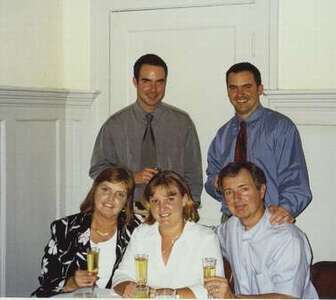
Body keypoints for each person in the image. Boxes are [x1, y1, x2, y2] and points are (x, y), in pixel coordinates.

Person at [90, 53, 203, 208]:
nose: (153, 89)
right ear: (135, 82)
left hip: (171, 210)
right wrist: (130, 178)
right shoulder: (114, 125)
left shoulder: (183, 123)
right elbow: (98, 170)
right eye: (146, 81)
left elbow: (193, 174)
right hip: (126, 209)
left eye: (159, 82)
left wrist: (190, 207)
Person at [205, 62, 312, 224]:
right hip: (231, 222)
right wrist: (217, 184)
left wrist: (285, 210)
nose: (239, 94)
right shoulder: (222, 135)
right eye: (233, 87)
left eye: (246, 86)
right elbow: (211, 181)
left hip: (269, 221)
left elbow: (296, 182)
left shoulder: (280, 128)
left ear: (260, 89)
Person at [204, 161, 318, 299]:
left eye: (244, 189)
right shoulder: (230, 228)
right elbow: (205, 238)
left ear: (262, 191)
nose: (236, 198)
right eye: (229, 192)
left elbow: (288, 298)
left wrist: (232, 298)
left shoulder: (287, 238)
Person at [112, 170, 224, 298]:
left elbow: (214, 289)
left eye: (170, 199)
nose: (162, 207)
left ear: (184, 199)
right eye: (155, 201)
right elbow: (121, 276)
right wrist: (128, 288)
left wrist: (167, 294)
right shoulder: (141, 233)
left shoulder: (206, 238)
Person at [32, 167, 141, 297]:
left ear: (126, 202)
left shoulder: (136, 230)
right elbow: (46, 281)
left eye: (120, 194)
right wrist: (71, 282)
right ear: (94, 191)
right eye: (105, 189)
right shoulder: (65, 228)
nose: (111, 198)